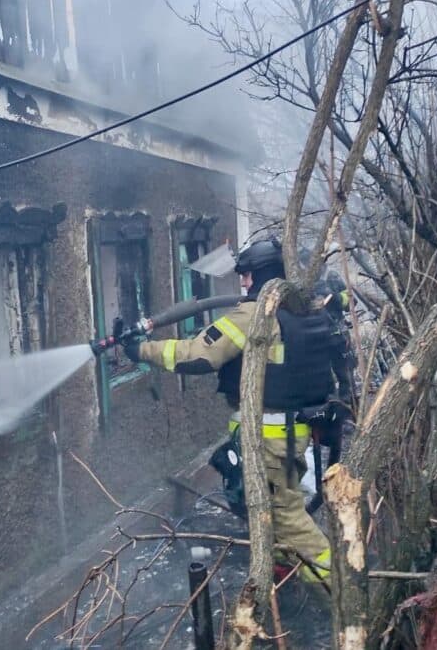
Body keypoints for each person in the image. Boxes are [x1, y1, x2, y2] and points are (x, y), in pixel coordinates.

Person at [122, 239, 346, 583]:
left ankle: (341, 590)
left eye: (247, 275)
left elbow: (197, 354)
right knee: (273, 504)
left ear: (264, 274)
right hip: (293, 431)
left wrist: (141, 351)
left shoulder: (256, 315)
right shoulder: (305, 309)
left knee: (285, 515)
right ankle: (283, 565)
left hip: (270, 438)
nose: (243, 282)